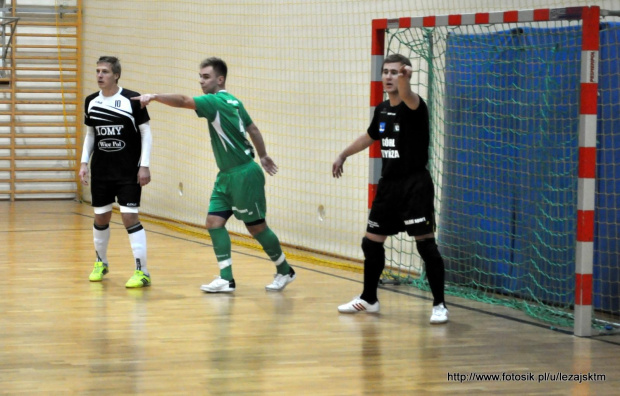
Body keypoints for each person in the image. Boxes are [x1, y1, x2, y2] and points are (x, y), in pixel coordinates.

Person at [132, 57, 295, 293]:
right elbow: (252, 129)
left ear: (220, 79)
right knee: (213, 222)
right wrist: (263, 155)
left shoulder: (216, 101)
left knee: (256, 228)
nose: (201, 81)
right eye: (200, 76)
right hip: (226, 176)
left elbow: (184, 101)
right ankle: (226, 278)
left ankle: (285, 270)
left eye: (206, 77)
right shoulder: (235, 102)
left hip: (243, 175)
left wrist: (155, 97)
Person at [332, 53, 448, 324]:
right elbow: (369, 136)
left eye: (394, 72)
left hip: (415, 186)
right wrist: (343, 154)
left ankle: (440, 304)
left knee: (426, 246)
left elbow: (407, 94)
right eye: (385, 71)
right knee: (370, 242)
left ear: (404, 75)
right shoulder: (382, 109)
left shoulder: (415, 104)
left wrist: (406, 78)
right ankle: (369, 299)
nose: (388, 76)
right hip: (389, 186)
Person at [79, 56, 153, 288]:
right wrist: (83, 163)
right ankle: (101, 262)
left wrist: (144, 164)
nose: (100, 75)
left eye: (105, 72)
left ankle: (142, 271)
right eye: (98, 71)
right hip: (102, 171)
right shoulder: (91, 101)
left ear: (116, 75)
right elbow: (91, 135)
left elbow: (146, 133)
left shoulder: (132, 100)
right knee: (101, 216)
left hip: (128, 171)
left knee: (129, 216)